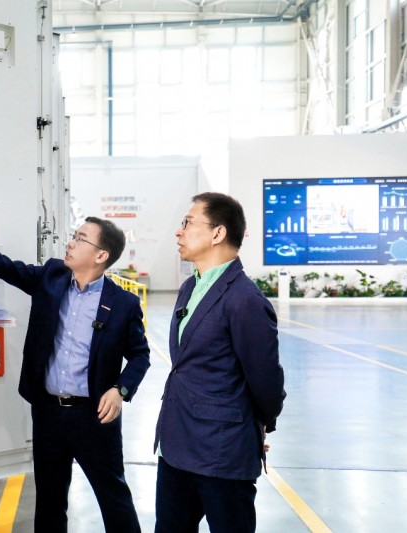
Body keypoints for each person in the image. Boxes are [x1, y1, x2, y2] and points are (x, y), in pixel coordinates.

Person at [0, 216, 150, 532]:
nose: (70, 243)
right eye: (73, 236)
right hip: (49, 413)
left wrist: (120, 389)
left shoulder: (123, 303)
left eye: (80, 238)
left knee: (113, 498)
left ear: (101, 255)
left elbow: (140, 356)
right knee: (50, 501)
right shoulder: (52, 277)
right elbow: (2, 265)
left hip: (94, 417)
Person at [153, 192, 286, 533]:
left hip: (222, 453)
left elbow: (266, 381)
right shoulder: (190, 287)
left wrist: (254, 427)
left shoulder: (244, 299)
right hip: (177, 446)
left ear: (218, 233)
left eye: (187, 223)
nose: (179, 231)